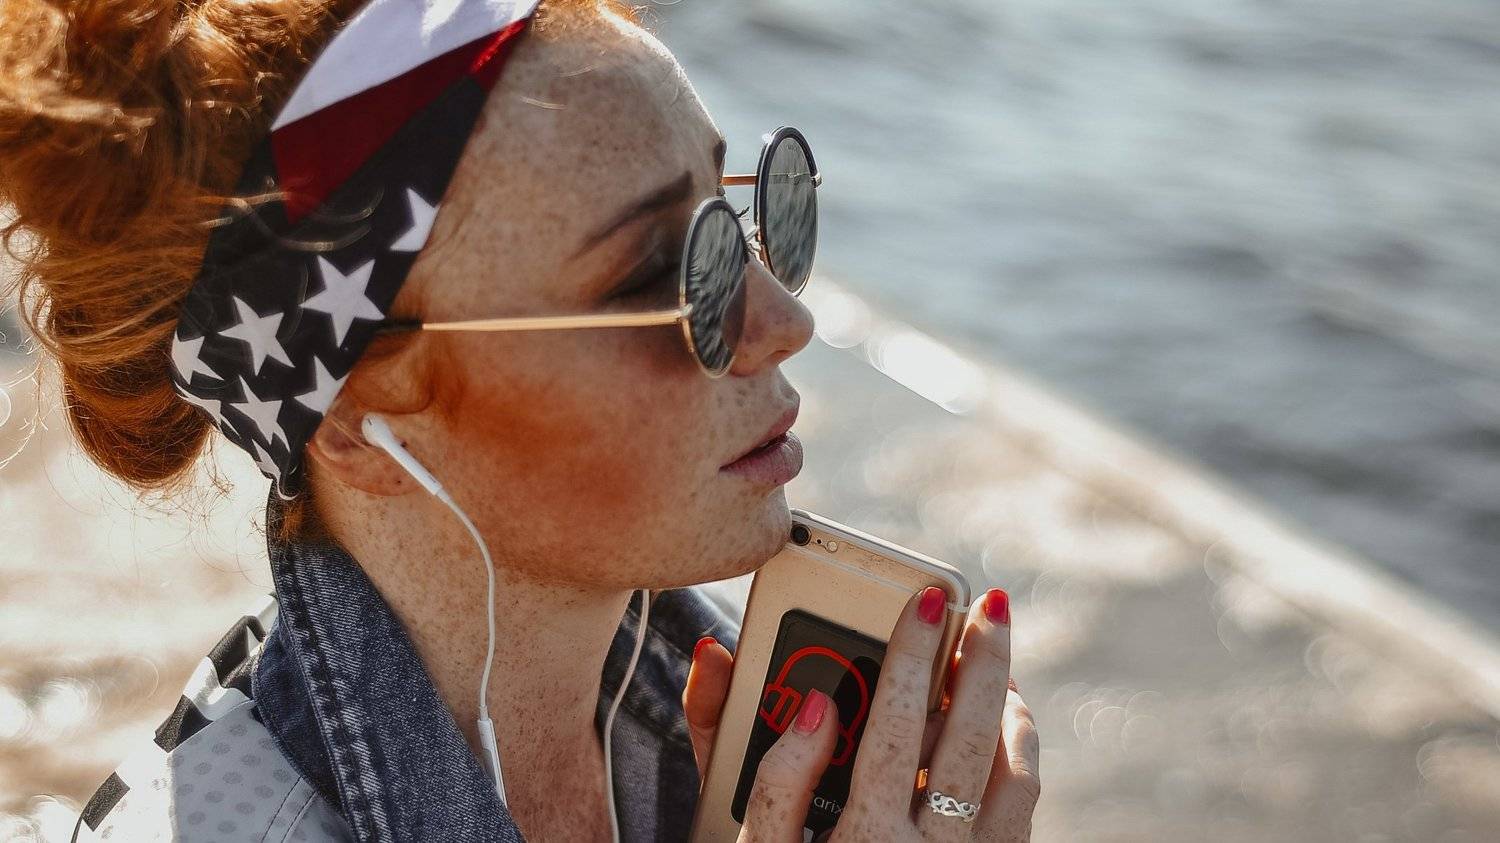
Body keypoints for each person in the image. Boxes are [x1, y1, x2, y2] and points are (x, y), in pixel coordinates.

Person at [0, 0, 1040, 840]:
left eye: (737, 220)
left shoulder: (722, 711)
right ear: (358, 420)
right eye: (661, 275)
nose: (784, 321)